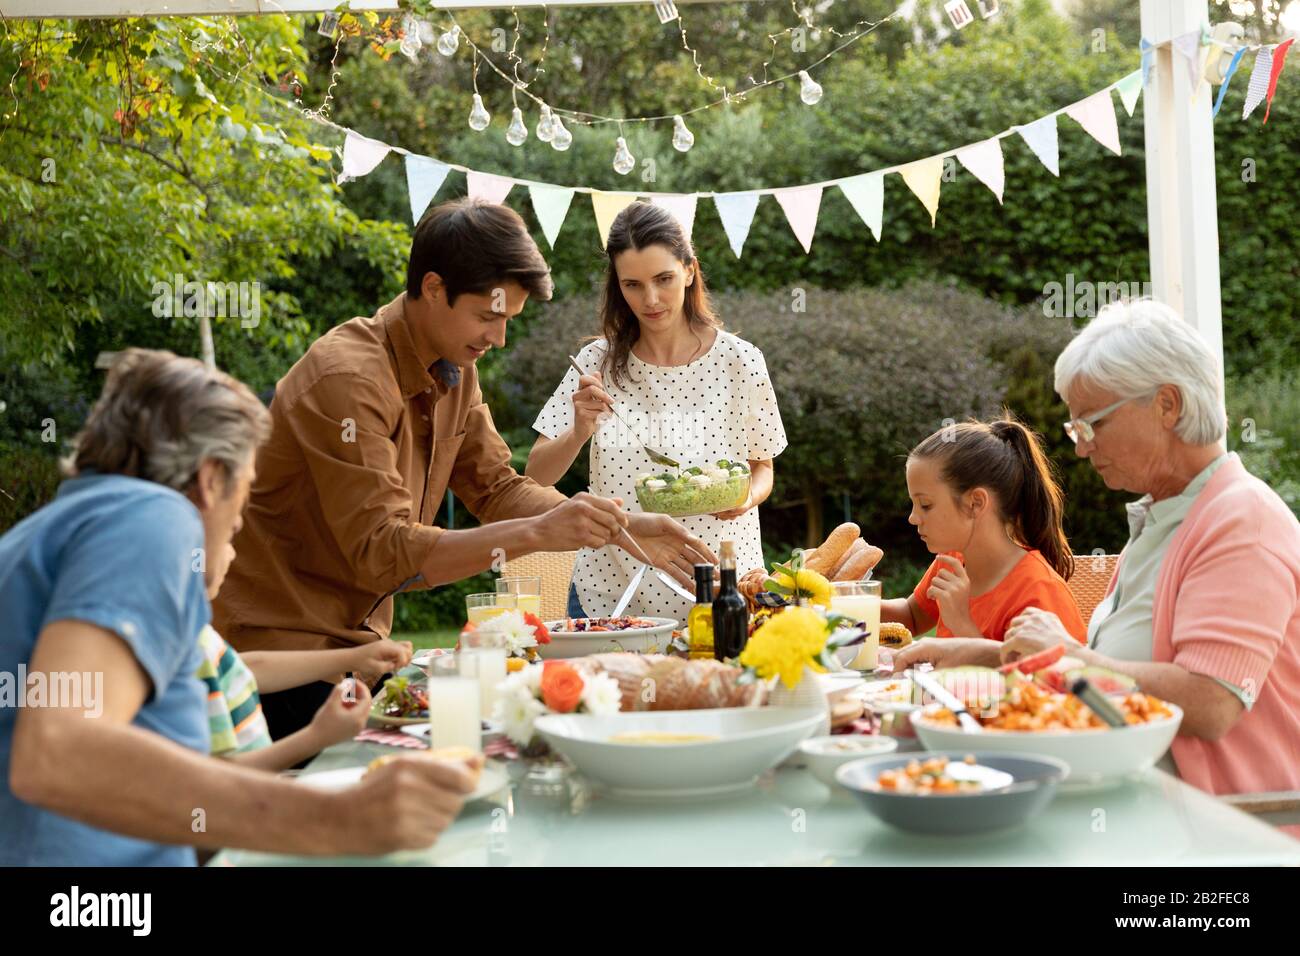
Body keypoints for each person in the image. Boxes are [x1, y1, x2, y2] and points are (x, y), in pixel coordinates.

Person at [213, 198, 713, 738]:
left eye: (508, 320)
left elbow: (497, 487)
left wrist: (621, 526)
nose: (498, 339)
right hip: (275, 660)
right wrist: (541, 531)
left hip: (358, 651)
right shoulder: (350, 379)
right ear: (433, 288)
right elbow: (383, 552)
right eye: (488, 316)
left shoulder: (454, 367)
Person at [1, 349, 479, 865]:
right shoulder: (147, 517)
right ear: (210, 479)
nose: (240, 519)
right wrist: (334, 820)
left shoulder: (68, 525)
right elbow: (58, 755)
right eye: (246, 487)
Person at [895, 300, 1300, 798]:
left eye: (1093, 424)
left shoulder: (1242, 523)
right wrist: (985, 653)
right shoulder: (1167, 516)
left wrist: (1069, 656)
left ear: (1167, 405)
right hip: (1131, 797)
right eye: (1074, 429)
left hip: (1221, 832)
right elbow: (1109, 674)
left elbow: (1211, 701)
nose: (1082, 447)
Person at [526, 201, 785, 620]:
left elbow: (763, 468)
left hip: (724, 588)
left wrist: (744, 499)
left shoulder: (741, 361)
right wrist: (578, 431)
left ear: (689, 270)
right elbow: (535, 477)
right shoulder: (595, 362)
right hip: (609, 592)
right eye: (632, 285)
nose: (650, 299)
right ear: (618, 286)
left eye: (663, 279)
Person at [879, 416, 1085, 645]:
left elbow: (1038, 678)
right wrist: (844, 601)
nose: (913, 518)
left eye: (925, 505)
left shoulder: (1038, 591)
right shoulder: (953, 559)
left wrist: (960, 621)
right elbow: (911, 616)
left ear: (975, 503)